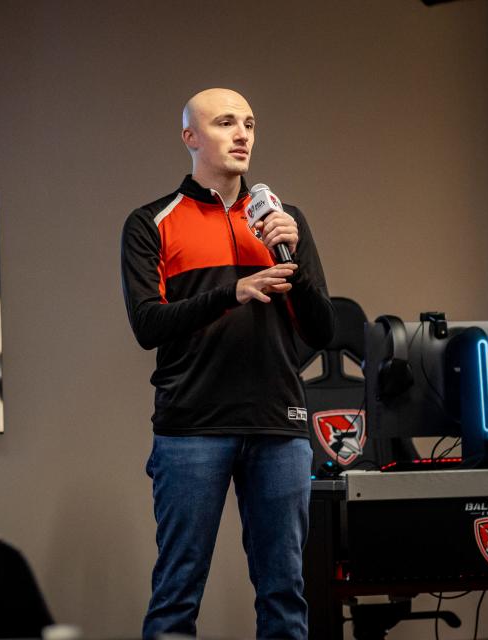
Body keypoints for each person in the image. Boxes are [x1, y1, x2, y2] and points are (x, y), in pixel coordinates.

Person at [120, 88, 335, 639]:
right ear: (191, 137)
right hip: (192, 426)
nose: (242, 134)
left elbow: (322, 330)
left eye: (250, 123)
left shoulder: (285, 222)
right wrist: (230, 292)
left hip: (277, 424)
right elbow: (148, 325)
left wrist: (297, 265)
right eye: (224, 123)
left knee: (285, 594)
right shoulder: (152, 222)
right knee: (176, 596)